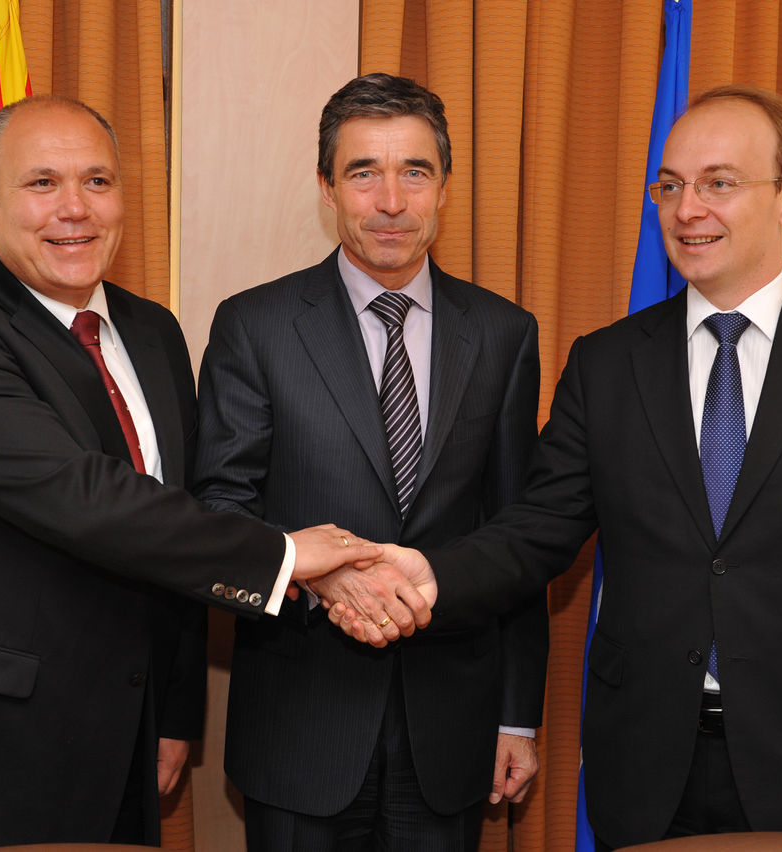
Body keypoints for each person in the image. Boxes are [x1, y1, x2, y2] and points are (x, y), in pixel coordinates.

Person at [334, 85, 782, 850]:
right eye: (669, 186)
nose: (687, 208)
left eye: (719, 183)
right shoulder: (606, 365)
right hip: (644, 767)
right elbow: (534, 533)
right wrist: (423, 575)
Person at [0, 95, 403, 852]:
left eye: (97, 181)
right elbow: (87, 501)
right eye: (42, 184)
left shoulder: (151, 331)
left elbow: (172, 516)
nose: (74, 210)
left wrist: (176, 710)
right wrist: (289, 555)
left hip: (118, 744)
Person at [193, 73, 548, 851]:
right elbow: (220, 507)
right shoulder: (255, 326)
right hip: (300, 725)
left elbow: (521, 531)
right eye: (364, 172)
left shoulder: (503, 335)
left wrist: (517, 715)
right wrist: (315, 572)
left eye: (414, 171)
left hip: (452, 734)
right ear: (327, 187)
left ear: (444, 186)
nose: (391, 200)